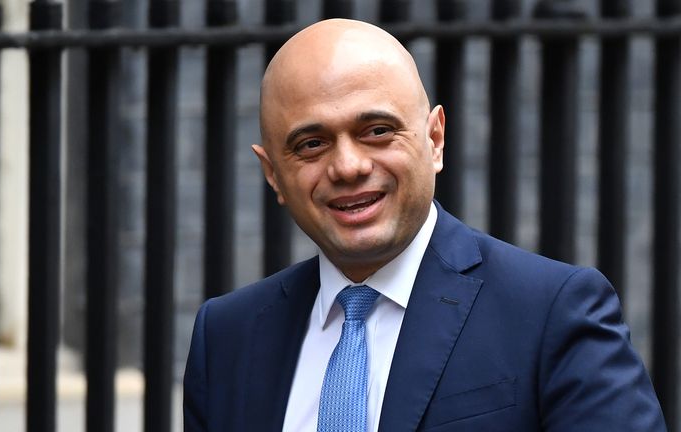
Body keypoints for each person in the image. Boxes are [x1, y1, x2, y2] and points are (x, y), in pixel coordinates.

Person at [183, 18, 666, 431]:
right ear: (274, 175)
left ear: (435, 139)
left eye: (377, 131)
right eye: (311, 143)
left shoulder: (552, 312)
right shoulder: (227, 337)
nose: (348, 166)